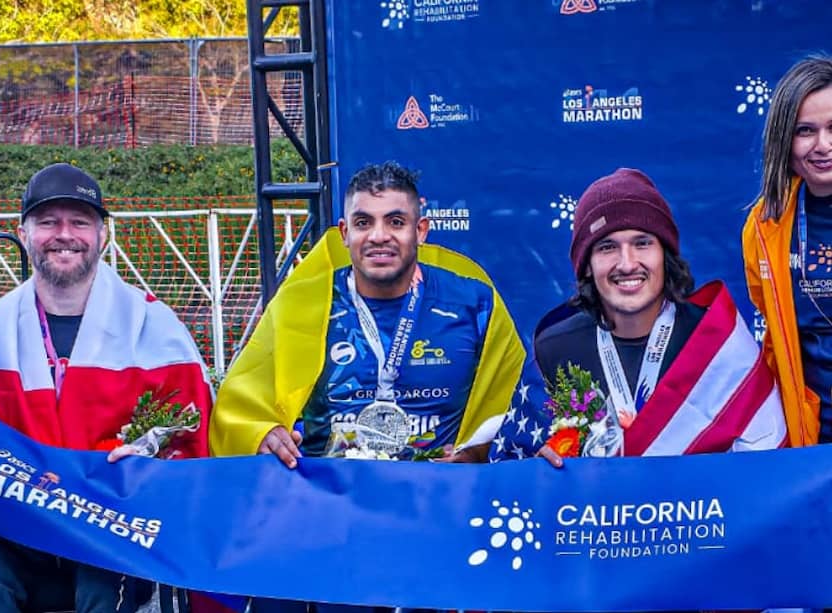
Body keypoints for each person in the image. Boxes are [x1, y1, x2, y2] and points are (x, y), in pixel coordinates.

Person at [0, 163, 213, 612]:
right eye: (48, 222)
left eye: (79, 222)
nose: (64, 235)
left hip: (112, 531)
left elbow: (194, 442)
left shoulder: (155, 331)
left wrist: (146, 468)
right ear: (23, 234)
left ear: (102, 235)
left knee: (109, 568)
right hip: (17, 532)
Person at [210, 160, 525, 468]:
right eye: (363, 223)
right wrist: (263, 433)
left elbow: (515, 406)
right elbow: (242, 409)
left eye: (395, 222)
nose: (378, 236)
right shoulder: (302, 303)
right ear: (344, 232)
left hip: (438, 491)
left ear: (420, 231)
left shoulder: (474, 303)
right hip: (331, 493)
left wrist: (477, 452)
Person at [492, 168, 788, 462]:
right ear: (587, 266)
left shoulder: (718, 343)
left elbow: (766, 466)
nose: (627, 264)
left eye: (642, 243)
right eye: (607, 247)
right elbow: (512, 460)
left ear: (665, 255)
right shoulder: (555, 348)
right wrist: (536, 464)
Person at [743, 54, 832, 448]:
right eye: (805, 131)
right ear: (784, 139)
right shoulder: (765, 225)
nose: (823, 145)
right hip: (812, 437)